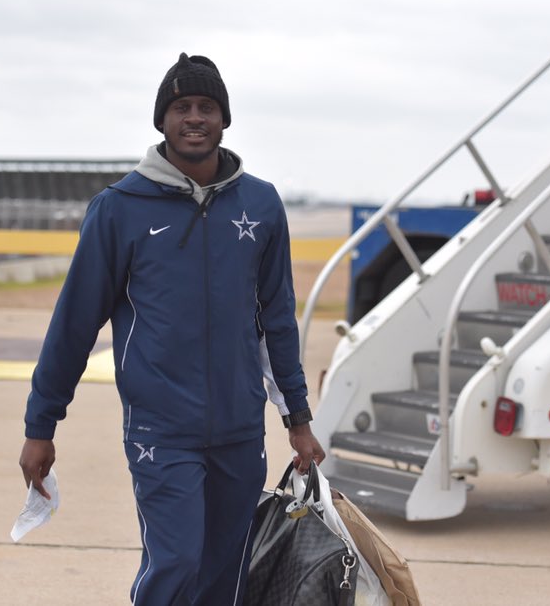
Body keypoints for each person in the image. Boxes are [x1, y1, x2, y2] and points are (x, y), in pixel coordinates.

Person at [19, 52, 325, 605]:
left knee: (224, 574)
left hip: (239, 429)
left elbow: (276, 320)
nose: (194, 117)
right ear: (161, 120)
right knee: (176, 563)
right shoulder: (118, 209)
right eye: (181, 106)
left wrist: (297, 419)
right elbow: (74, 324)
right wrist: (42, 425)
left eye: (206, 106)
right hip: (162, 431)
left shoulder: (260, 204)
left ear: (224, 119)